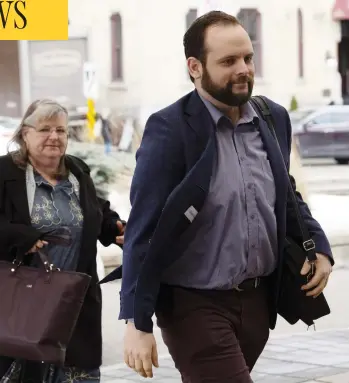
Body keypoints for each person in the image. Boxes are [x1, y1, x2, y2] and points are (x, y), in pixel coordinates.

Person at [112, 11, 333, 382]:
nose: (244, 69)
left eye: (247, 58)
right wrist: (136, 319)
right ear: (195, 67)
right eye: (228, 61)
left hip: (257, 303)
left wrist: (319, 246)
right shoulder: (170, 129)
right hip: (194, 305)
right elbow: (144, 229)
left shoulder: (271, 116)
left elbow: (285, 191)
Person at [0, 99, 126, 383]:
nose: (54, 137)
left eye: (61, 130)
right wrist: (21, 237)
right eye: (44, 129)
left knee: (78, 374)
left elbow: (96, 209)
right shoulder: (5, 173)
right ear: (24, 134)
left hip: (74, 301)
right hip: (21, 301)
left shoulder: (77, 171)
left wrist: (113, 228)